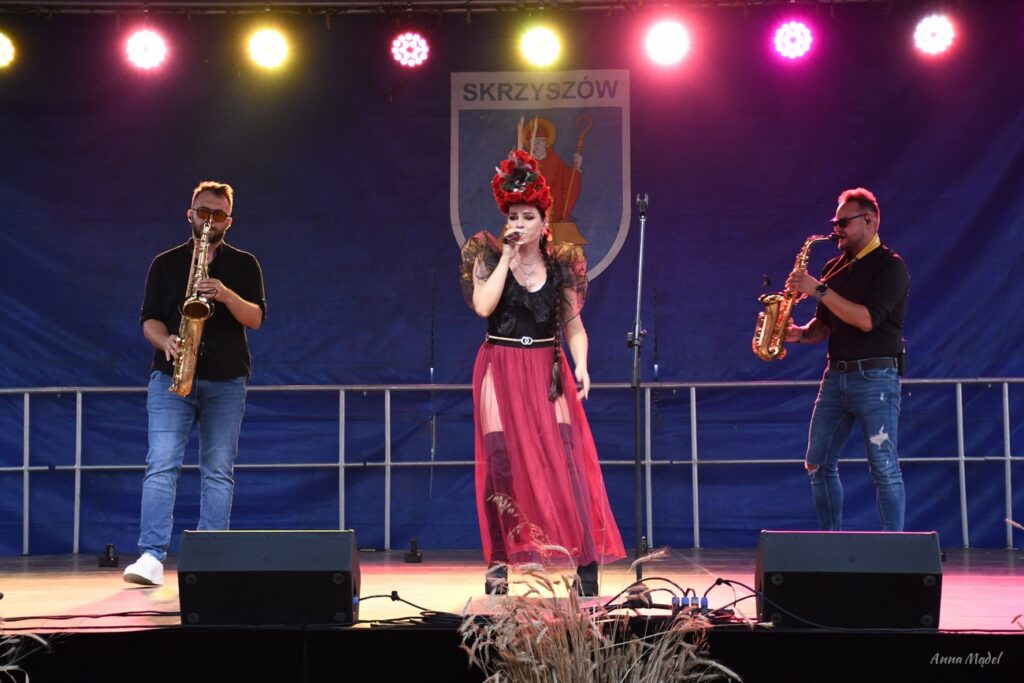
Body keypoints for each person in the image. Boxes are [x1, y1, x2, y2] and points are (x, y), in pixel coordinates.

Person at [460, 150, 625, 596]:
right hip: (500, 364)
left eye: (527, 216)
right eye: (512, 216)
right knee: (499, 464)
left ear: (544, 222)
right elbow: (483, 307)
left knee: (568, 461)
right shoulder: (488, 256)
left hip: (547, 366)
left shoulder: (560, 267)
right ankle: (499, 565)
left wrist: (582, 364)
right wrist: (507, 259)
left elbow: (574, 326)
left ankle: (585, 565)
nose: (518, 223)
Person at [123, 180, 266, 586]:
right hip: (172, 374)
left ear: (229, 221)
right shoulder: (166, 263)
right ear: (190, 213)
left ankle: (211, 557)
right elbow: (149, 318)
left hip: (227, 378)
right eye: (203, 212)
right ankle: (151, 557)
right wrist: (164, 340)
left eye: (217, 214)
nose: (209, 220)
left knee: (218, 469)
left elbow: (256, 318)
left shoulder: (245, 264)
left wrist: (225, 294)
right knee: (161, 464)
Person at [785, 188, 909, 532]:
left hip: (876, 378)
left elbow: (867, 320)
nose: (835, 229)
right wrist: (797, 334)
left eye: (842, 223)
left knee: (883, 465)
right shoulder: (834, 267)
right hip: (835, 376)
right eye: (834, 223)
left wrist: (818, 290)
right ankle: (832, 542)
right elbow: (824, 325)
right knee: (817, 463)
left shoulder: (890, 266)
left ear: (869, 220)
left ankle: (893, 549)